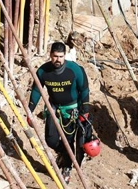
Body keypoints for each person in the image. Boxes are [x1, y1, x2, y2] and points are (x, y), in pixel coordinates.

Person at [27, 41, 96, 184]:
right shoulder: (43, 72)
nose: (57, 60)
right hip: (54, 109)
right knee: (51, 140)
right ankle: (64, 155)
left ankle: (67, 167)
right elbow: (36, 91)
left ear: (65, 56)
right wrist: (30, 111)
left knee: (69, 141)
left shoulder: (75, 70)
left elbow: (84, 90)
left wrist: (85, 111)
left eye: (60, 56)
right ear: (50, 55)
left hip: (72, 111)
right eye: (54, 56)